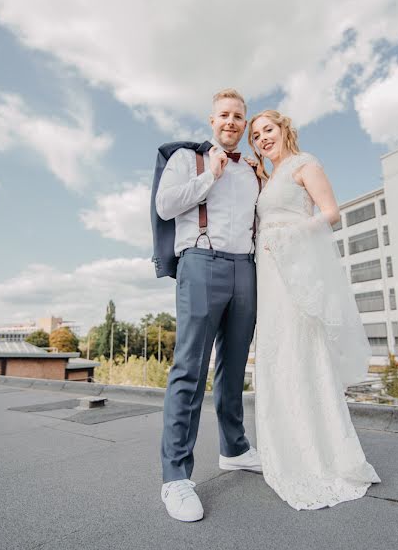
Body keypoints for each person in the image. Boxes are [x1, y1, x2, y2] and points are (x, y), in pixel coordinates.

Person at [248, 109, 380, 510]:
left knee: (300, 349)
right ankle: (284, 447)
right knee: (275, 352)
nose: (261, 138)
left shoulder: (306, 164)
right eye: (255, 135)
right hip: (268, 272)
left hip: (295, 268)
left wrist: (289, 235)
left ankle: (319, 454)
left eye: (267, 129)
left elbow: (330, 213)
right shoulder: (268, 178)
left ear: (284, 128)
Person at [154, 89, 262, 522]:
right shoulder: (188, 160)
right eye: (224, 115)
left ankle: (234, 449)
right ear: (211, 120)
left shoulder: (253, 170)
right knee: (190, 368)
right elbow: (165, 207)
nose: (232, 122)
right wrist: (209, 177)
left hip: (245, 268)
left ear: (244, 122)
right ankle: (176, 478)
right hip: (201, 260)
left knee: (234, 366)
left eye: (239, 116)